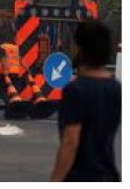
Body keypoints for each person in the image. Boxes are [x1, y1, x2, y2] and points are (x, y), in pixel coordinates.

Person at [50, 20, 120, 182]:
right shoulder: (116, 89)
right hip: (108, 176)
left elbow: (71, 141)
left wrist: (55, 181)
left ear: (81, 49)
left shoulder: (75, 91)